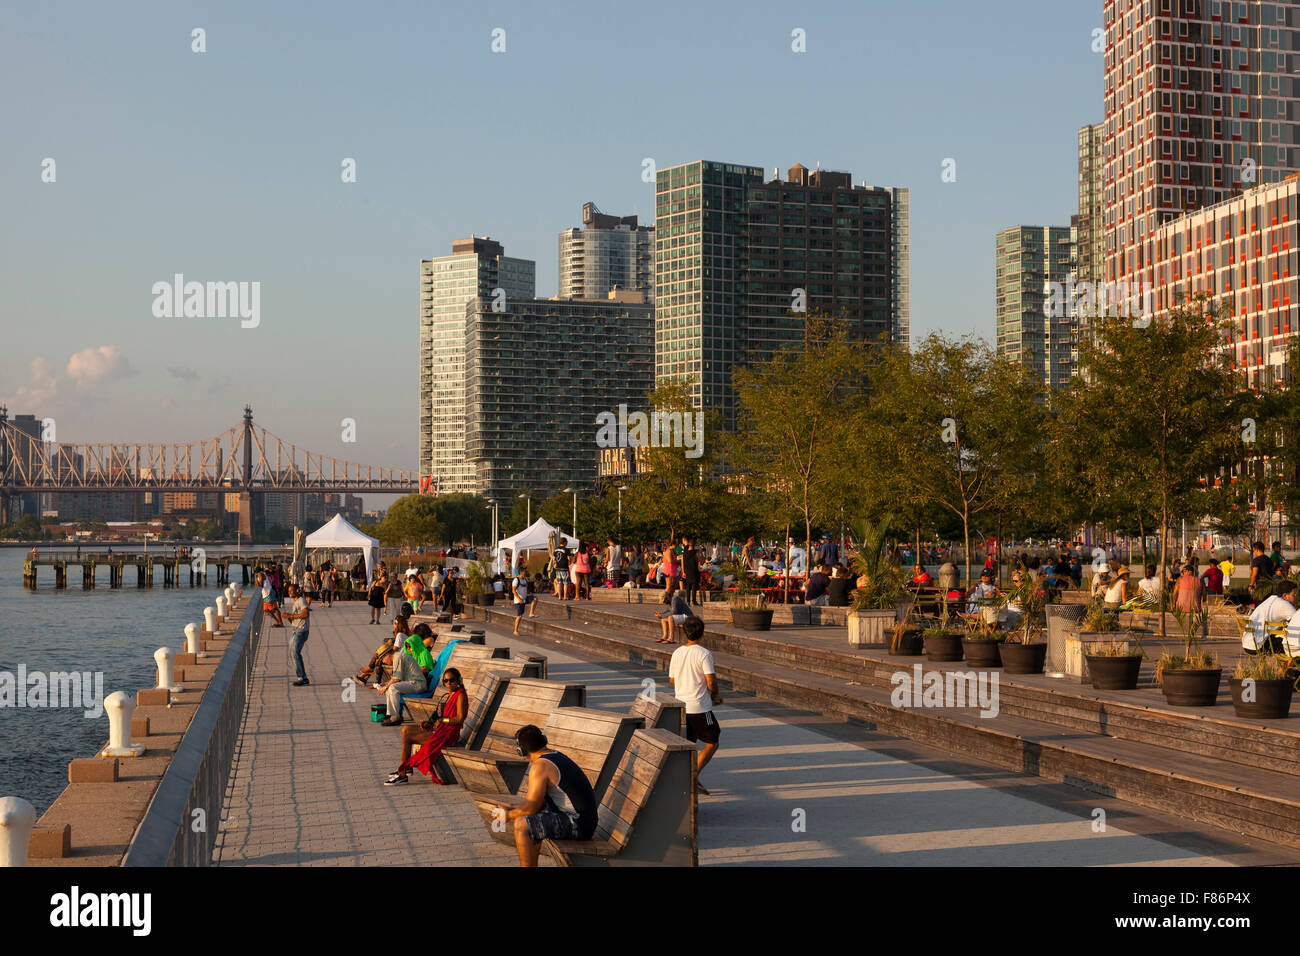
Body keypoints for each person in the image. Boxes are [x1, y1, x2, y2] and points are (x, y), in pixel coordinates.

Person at [497, 724, 599, 867]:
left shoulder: (540, 766)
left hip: (578, 824)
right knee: (531, 821)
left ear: (521, 751)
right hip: (585, 821)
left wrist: (508, 815)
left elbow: (530, 808)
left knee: (521, 825)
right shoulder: (555, 755)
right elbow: (535, 804)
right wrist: (512, 808)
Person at [385, 667, 467, 785]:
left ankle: (402, 774)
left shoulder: (460, 695)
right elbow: (443, 718)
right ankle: (406, 768)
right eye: (446, 681)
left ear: (458, 680)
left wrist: (443, 720)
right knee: (405, 729)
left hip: (448, 735)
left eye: (452, 680)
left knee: (408, 737)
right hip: (442, 729)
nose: (448, 683)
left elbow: (460, 719)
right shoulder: (451, 694)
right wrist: (432, 723)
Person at [668, 618, 721, 795]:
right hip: (699, 707)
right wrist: (715, 696)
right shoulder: (704, 654)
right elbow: (711, 681)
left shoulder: (677, 653)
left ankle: (692, 778)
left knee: (690, 744)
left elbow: (672, 680)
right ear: (702, 633)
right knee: (712, 742)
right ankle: (692, 776)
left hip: (681, 705)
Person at [375, 624, 428, 726]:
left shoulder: (398, 657)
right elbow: (397, 678)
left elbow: (396, 679)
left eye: (383, 660)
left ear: (387, 655)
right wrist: (385, 684)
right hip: (412, 683)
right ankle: (393, 715)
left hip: (418, 684)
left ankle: (395, 717)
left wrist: (385, 686)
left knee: (392, 688)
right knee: (390, 687)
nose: (384, 663)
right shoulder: (397, 658)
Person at [1246, 581, 1297, 654]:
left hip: (1248, 644)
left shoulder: (1271, 599)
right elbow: (1297, 621)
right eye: (1294, 595)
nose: (1296, 597)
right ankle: (1289, 665)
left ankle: (1285, 664)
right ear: (1285, 596)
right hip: (1260, 645)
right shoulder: (1285, 605)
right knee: (1294, 645)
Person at [283, 584, 312, 686]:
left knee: (295, 652)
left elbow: (306, 614)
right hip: (296, 630)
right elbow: (295, 620)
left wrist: (290, 615)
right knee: (292, 653)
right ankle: (301, 677)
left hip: (302, 631)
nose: (289, 592)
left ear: (297, 591)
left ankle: (303, 678)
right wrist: (288, 618)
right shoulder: (295, 603)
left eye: (292, 590)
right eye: (288, 591)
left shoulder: (301, 600)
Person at [512, 565, 536, 635]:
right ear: (521, 572)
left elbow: (525, 589)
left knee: (534, 599)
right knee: (519, 616)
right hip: (518, 601)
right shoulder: (516, 580)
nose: (526, 572)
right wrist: (519, 599)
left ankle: (531, 613)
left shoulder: (525, 580)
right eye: (525, 571)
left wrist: (529, 594)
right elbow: (513, 591)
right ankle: (515, 630)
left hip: (524, 599)